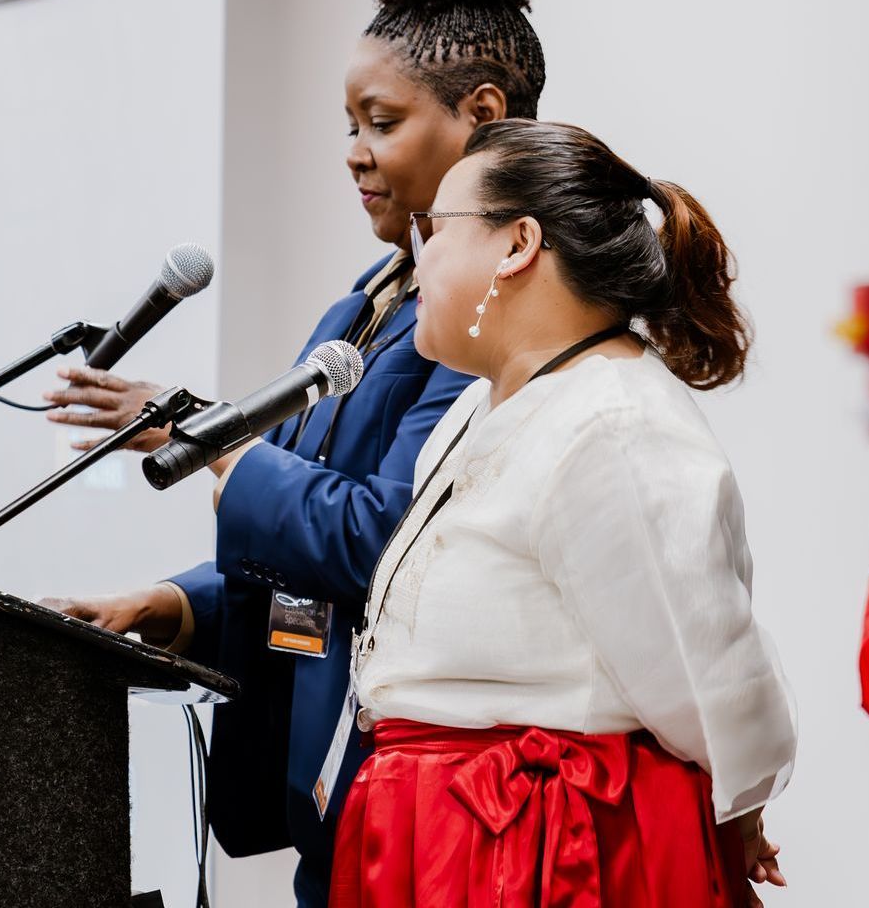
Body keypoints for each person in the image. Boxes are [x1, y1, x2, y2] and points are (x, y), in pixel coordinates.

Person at [38, 0, 549, 907]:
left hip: (417, 796)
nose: (355, 154)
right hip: (338, 804)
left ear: (481, 115)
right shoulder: (363, 302)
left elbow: (380, 540)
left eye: (381, 121)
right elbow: (301, 544)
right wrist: (180, 606)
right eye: (348, 125)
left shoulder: (491, 325)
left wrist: (213, 444)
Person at [330, 120, 797, 907]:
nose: (417, 256)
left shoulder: (617, 424)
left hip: (527, 847)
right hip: (432, 826)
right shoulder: (481, 405)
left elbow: (705, 676)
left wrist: (738, 813)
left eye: (433, 229)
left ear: (517, 245)